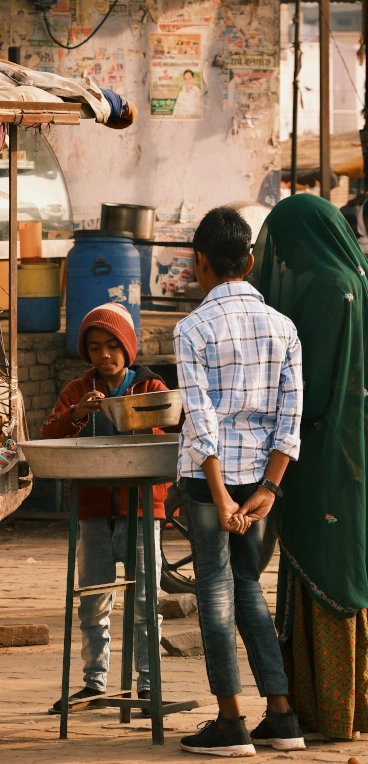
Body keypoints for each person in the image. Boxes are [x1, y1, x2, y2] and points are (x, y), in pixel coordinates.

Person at [175, 206, 305, 756]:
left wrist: (222, 494)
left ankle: (230, 723)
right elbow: (289, 419)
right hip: (258, 482)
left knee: (215, 590)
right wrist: (267, 491)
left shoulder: (192, 329)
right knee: (248, 584)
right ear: (249, 262)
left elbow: (200, 421)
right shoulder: (283, 327)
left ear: (198, 263)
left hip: (212, 485)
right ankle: (282, 716)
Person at [255, 193, 368, 741]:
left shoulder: (327, 290)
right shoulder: (357, 281)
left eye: (288, 246)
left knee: (324, 568)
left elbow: (313, 388)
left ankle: (327, 708)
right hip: (354, 447)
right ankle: (350, 708)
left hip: (323, 452)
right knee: (349, 564)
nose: (283, 262)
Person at [41, 303, 167, 716]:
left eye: (113, 346)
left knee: (145, 603)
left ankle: (149, 686)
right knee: (93, 602)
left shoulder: (150, 389)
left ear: (128, 348)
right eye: (95, 348)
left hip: (142, 511)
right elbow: (49, 433)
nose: (105, 355)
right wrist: (77, 415)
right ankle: (94, 683)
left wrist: (139, 419)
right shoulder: (77, 391)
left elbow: (174, 431)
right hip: (93, 512)